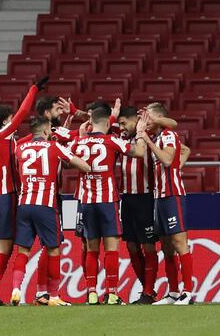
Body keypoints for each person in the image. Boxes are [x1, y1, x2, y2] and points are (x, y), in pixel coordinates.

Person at [10, 116, 91, 306]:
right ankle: (54, 296)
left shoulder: (19, 149)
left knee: (23, 250)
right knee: (53, 249)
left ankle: (15, 289)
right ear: (47, 131)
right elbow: (85, 166)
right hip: (46, 205)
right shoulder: (54, 147)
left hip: (24, 204)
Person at [71, 106, 147, 305]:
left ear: (91, 123)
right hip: (107, 201)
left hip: (86, 202)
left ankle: (92, 293)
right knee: (111, 248)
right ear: (107, 123)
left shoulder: (78, 143)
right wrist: (140, 132)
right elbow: (139, 152)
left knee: (92, 249)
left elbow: (66, 161)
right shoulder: (112, 140)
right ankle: (112, 294)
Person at [0, 78, 48, 306]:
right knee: (7, 248)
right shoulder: (3, 135)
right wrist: (33, 89)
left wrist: (46, 132)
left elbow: (20, 145)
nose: (15, 122)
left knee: (0, 247)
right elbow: (22, 112)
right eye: (10, 120)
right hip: (5, 198)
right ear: (4, 121)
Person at [118, 106, 178, 304]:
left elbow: (173, 124)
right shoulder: (122, 137)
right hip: (126, 198)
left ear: (136, 120)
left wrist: (149, 123)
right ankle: (148, 291)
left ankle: (148, 291)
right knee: (132, 246)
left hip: (145, 198)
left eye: (123, 122)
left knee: (148, 246)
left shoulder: (149, 134)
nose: (121, 127)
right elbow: (97, 119)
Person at [137, 102, 193, 306]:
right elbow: (185, 150)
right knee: (167, 247)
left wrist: (147, 142)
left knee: (179, 243)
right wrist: (178, 166)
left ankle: (188, 292)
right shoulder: (159, 137)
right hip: (159, 197)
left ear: (158, 117)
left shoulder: (168, 135)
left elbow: (168, 161)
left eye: (148, 116)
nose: (145, 120)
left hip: (172, 195)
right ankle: (174, 292)